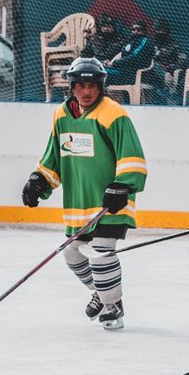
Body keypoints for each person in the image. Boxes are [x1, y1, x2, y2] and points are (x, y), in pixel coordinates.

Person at [19, 56, 149, 331]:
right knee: (73, 255)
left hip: (109, 203)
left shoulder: (113, 114)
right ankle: (102, 293)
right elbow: (53, 158)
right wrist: (38, 180)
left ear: (101, 86)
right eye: (80, 85)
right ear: (72, 87)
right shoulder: (62, 115)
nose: (86, 91)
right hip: (78, 204)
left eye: (92, 85)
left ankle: (113, 305)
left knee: (100, 253)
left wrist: (123, 185)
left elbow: (132, 156)